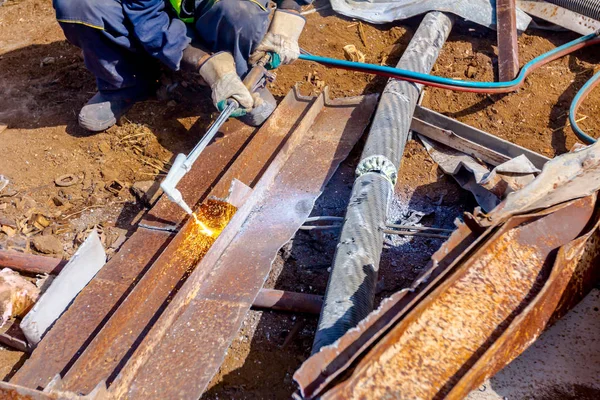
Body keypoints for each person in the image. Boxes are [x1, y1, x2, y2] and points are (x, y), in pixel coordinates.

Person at [52, 0, 311, 132]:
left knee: (241, 9)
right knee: (79, 5)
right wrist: (205, 62)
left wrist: (290, 11)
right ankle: (126, 81)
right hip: (151, 13)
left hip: (216, 11)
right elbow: (148, 20)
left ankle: (245, 78)